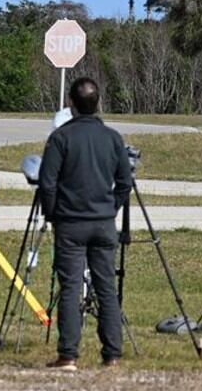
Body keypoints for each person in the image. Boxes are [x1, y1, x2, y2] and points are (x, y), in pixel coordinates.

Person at [38, 76, 132, 370]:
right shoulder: (112, 138)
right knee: (106, 287)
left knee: (70, 287)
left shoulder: (60, 138)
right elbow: (125, 181)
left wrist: (52, 214)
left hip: (70, 222)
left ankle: (68, 355)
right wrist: (111, 208)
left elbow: (47, 182)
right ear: (98, 103)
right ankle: (112, 354)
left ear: (71, 103)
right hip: (103, 222)